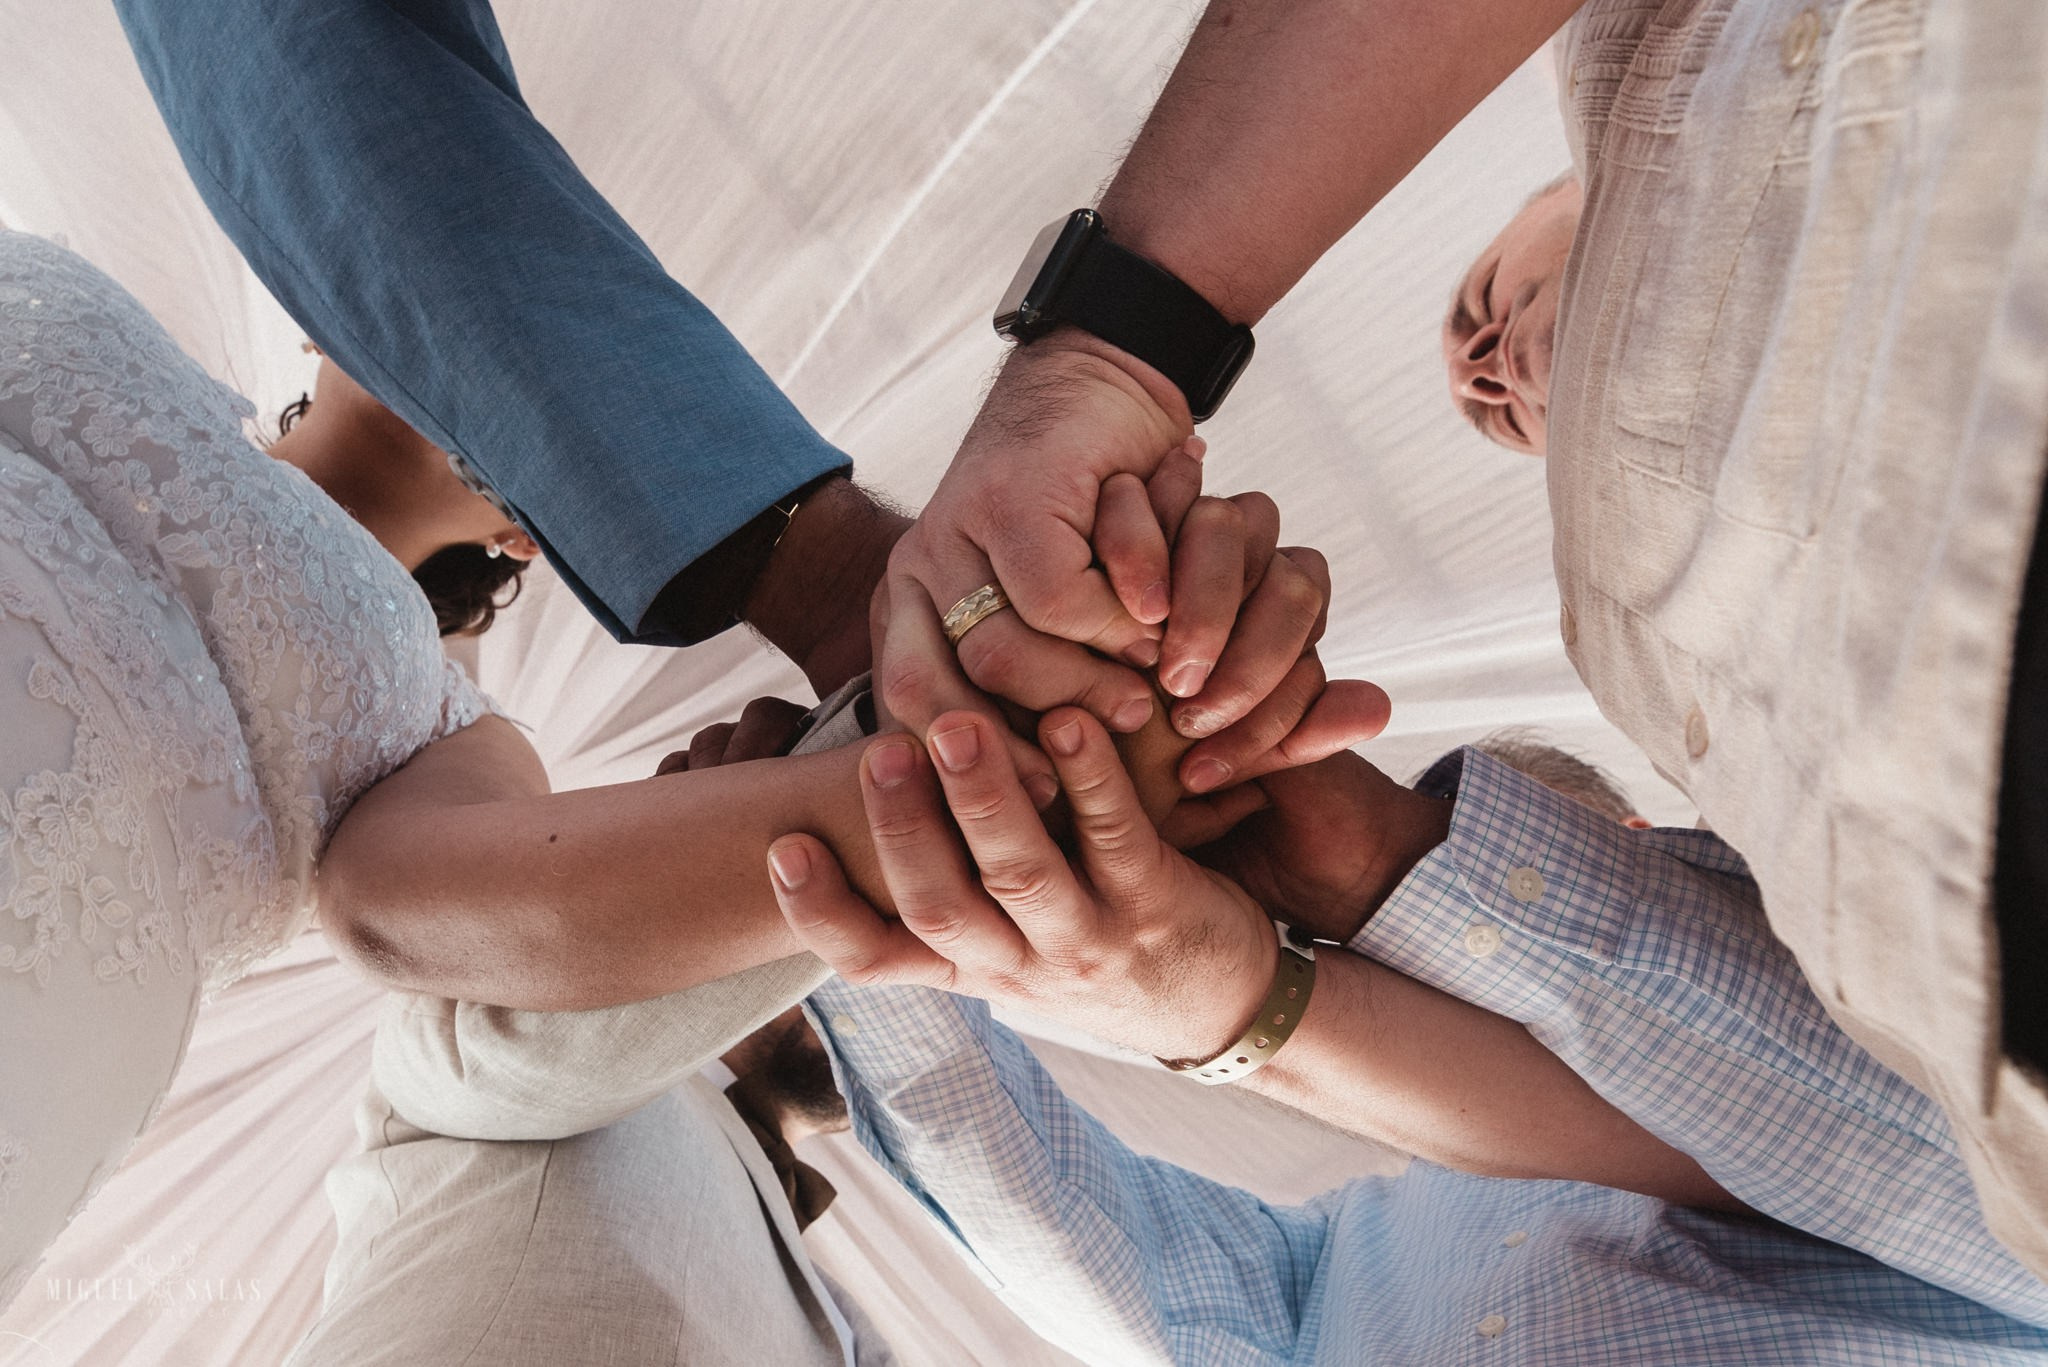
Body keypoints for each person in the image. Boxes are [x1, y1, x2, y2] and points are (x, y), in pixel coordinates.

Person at [769, 710, 2048, 1363]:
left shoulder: (1907, 1100)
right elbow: (1085, 1240)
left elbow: (1900, 1146)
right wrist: (864, 924)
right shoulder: (1351, 1240)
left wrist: (1376, 879)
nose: (1418, 932)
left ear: (1637, 858)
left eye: (1486, 847)